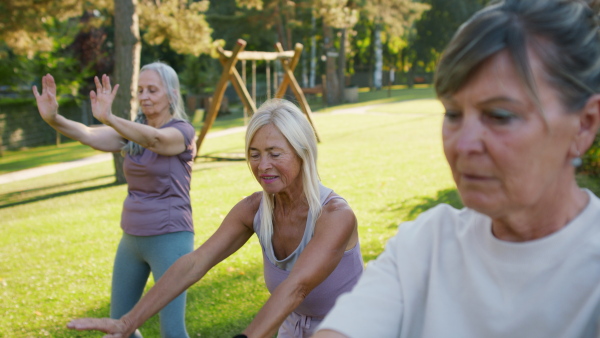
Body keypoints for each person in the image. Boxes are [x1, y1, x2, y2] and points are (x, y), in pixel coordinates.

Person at [314, 0, 600, 337]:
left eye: (499, 116)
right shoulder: (425, 246)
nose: (463, 145)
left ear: (583, 125)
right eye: (452, 114)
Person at [66, 98, 363, 337]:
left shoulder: (336, 216)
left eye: (275, 153)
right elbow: (195, 263)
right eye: (255, 154)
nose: (263, 166)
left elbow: (296, 287)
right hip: (292, 325)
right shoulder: (253, 210)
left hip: (350, 326)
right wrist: (127, 322)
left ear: (302, 154)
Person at [33, 62, 197, 338]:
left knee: (172, 331)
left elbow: (156, 140)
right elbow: (88, 134)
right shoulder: (130, 135)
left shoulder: (182, 131)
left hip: (171, 237)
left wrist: (109, 117)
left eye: (152, 90)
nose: (144, 96)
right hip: (132, 238)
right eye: (140, 89)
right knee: (120, 326)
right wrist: (53, 119)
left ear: (171, 93)